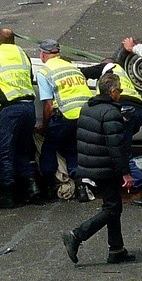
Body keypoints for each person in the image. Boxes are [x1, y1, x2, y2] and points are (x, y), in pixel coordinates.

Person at [60, 73, 135, 266]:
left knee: (112, 205)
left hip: (89, 165)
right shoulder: (111, 113)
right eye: (119, 91)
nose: (120, 94)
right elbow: (116, 146)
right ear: (113, 92)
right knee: (112, 208)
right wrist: (125, 173)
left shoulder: (88, 107)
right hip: (105, 167)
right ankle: (76, 235)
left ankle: (116, 249)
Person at [0, 28, 39, 209]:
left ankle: (7, 194)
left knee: (4, 151)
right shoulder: (23, 55)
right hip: (28, 108)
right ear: (13, 41)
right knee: (22, 150)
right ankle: (32, 187)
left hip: (10, 111)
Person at [101, 59, 142, 207]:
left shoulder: (107, 70)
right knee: (122, 148)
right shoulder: (121, 72)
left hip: (125, 109)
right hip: (138, 110)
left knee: (122, 153)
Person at [36, 39, 91, 202]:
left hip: (65, 116)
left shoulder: (45, 71)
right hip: (84, 116)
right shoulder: (72, 67)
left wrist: (44, 126)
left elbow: (48, 105)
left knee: (48, 149)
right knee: (73, 150)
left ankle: (48, 188)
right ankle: (81, 189)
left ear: (43, 54)